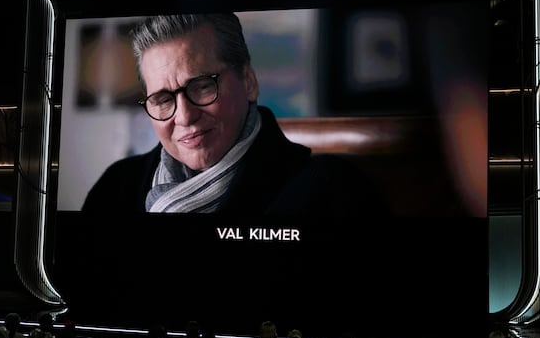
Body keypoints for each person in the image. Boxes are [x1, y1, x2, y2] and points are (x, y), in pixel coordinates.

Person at [81, 13, 386, 217]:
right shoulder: (116, 186)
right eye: (162, 98)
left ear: (249, 82)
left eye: (201, 86)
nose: (185, 117)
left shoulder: (332, 190)